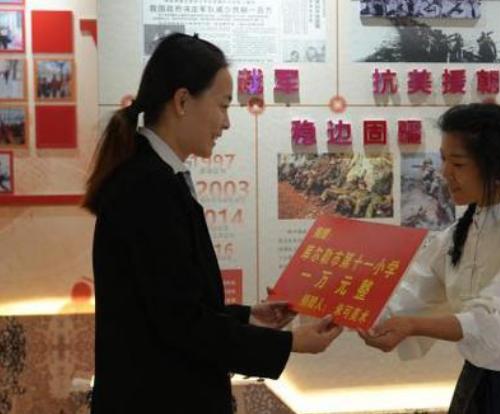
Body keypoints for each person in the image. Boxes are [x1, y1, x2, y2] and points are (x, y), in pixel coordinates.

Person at [83, 33, 342, 414]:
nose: (226, 122)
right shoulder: (147, 187)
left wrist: (250, 316)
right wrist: (291, 344)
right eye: (222, 105)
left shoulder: (154, 176)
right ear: (182, 101)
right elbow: (181, 323)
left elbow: (174, 303)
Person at [359, 103, 500, 413]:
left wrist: (412, 325)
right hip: (476, 382)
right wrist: (349, 310)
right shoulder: (456, 234)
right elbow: (410, 296)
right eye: (444, 159)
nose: (445, 172)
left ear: (496, 167)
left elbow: (499, 322)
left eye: (458, 163)